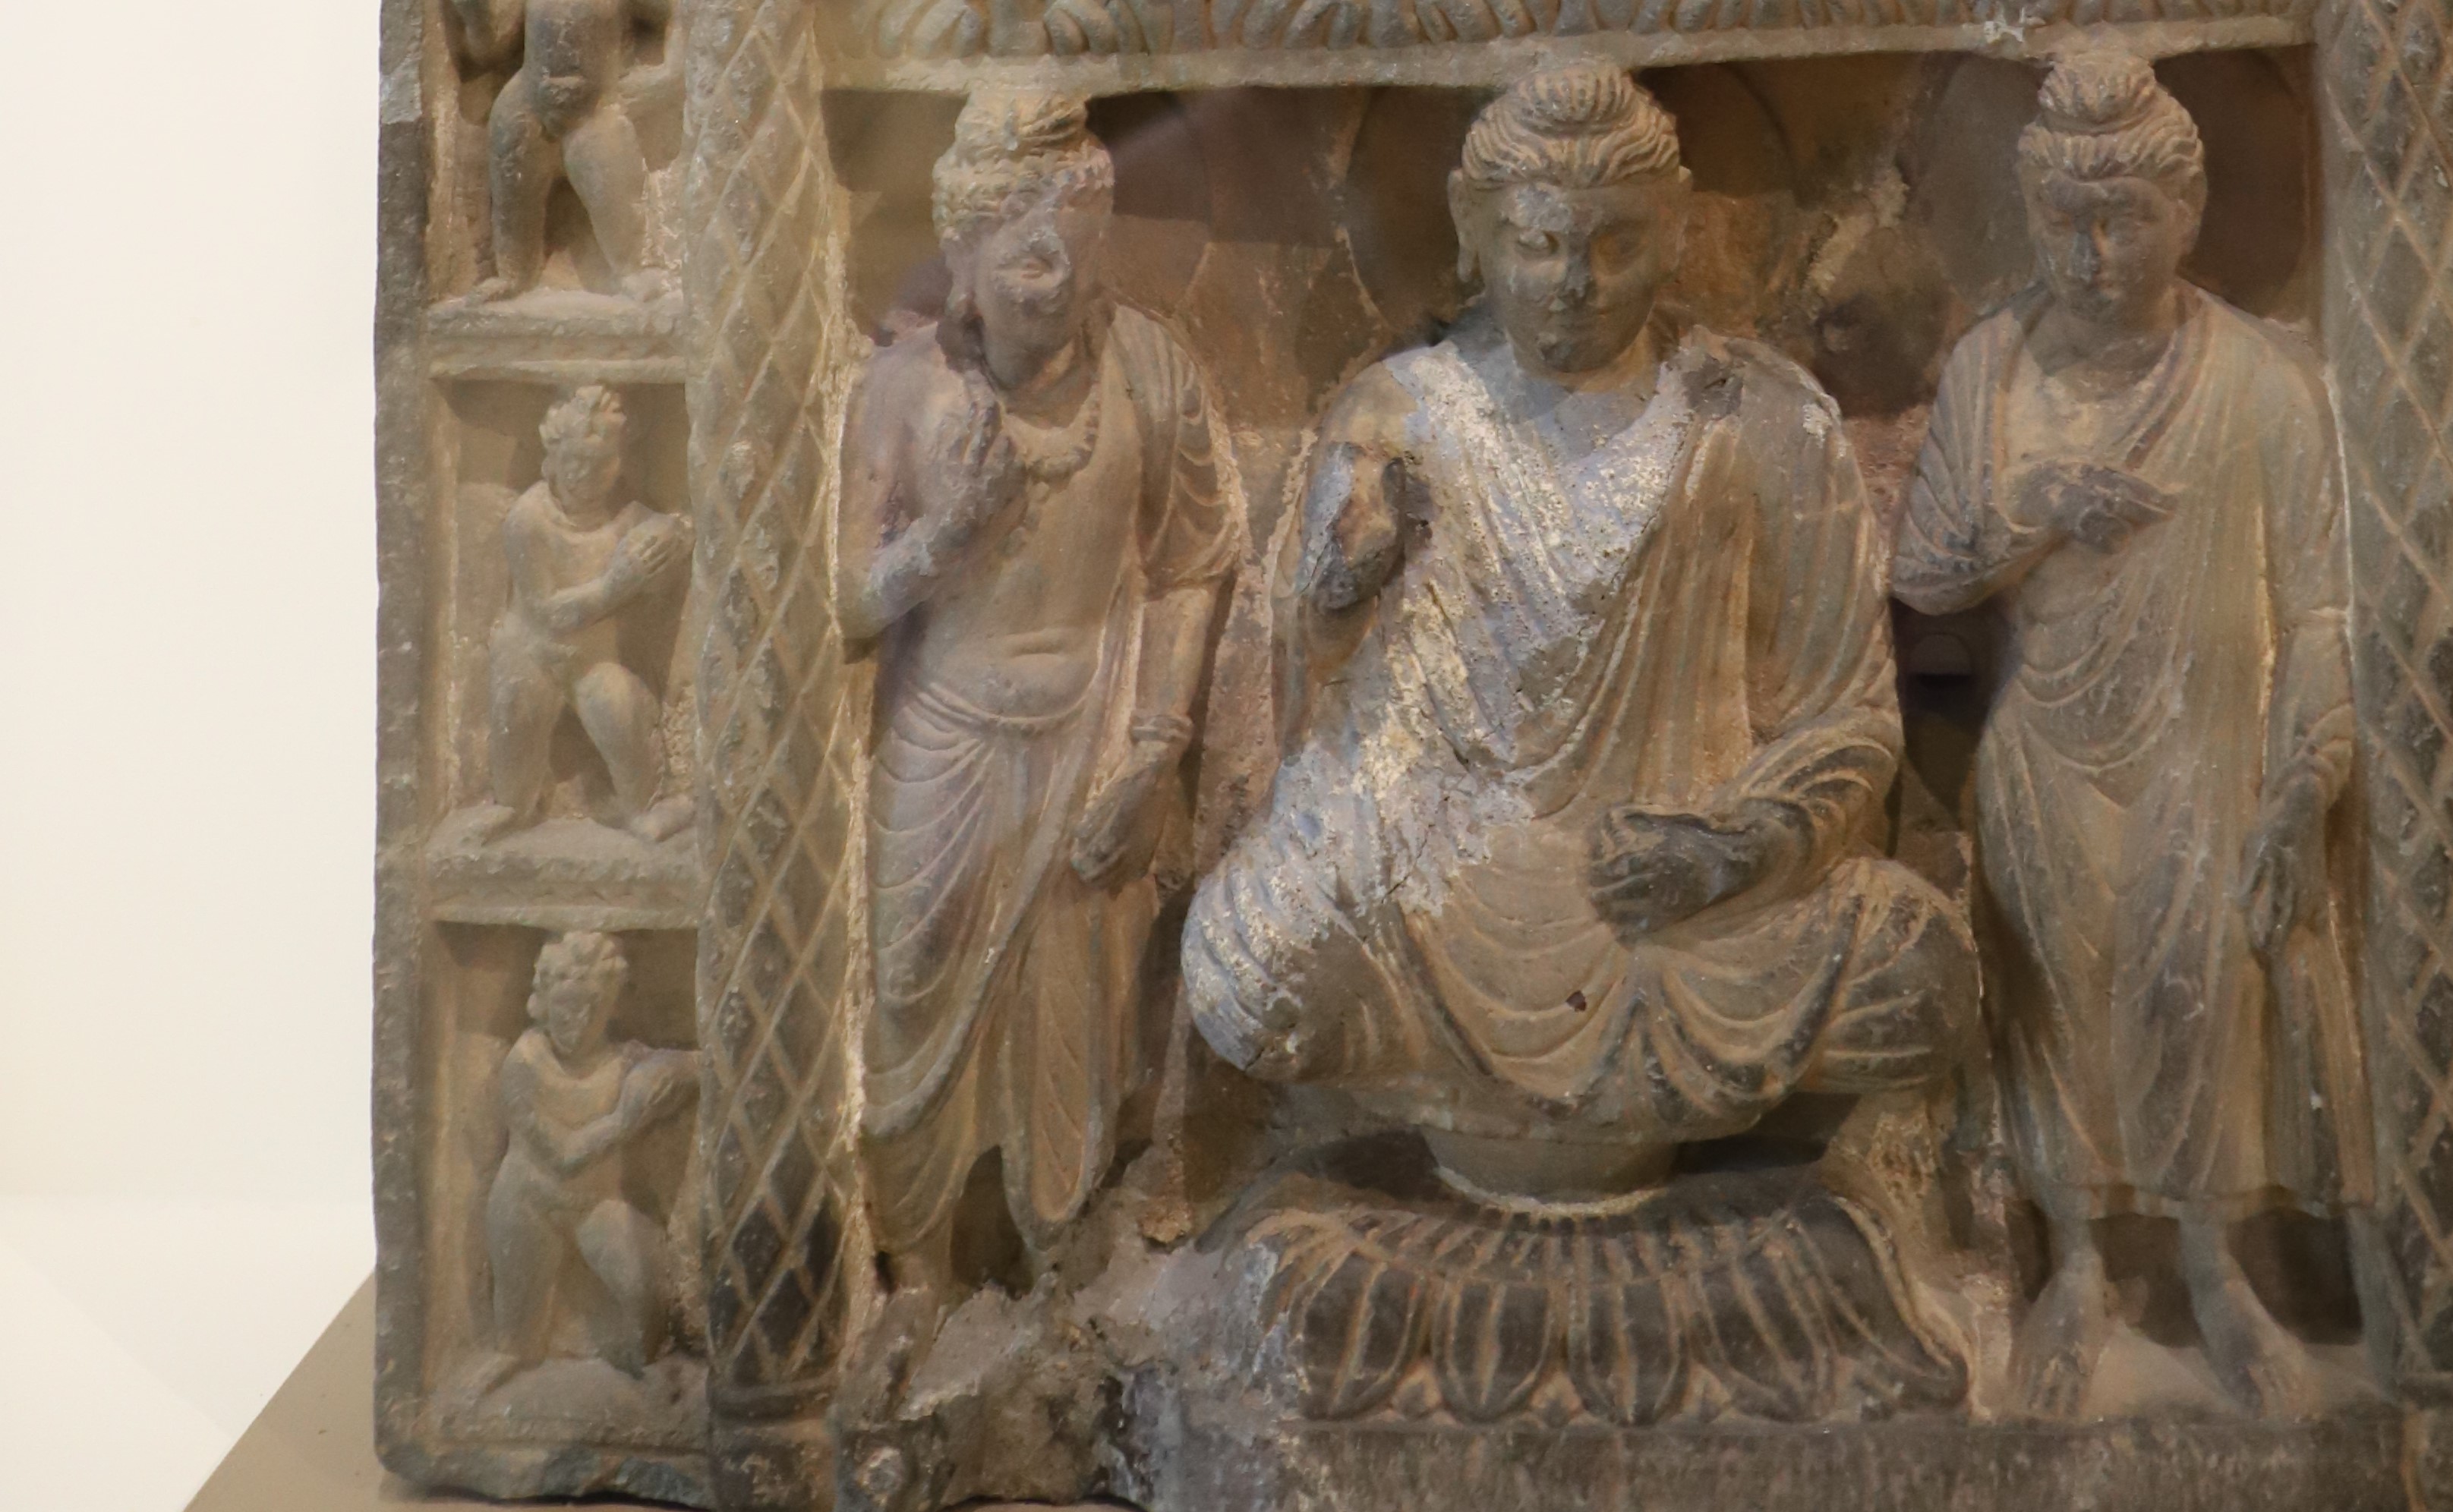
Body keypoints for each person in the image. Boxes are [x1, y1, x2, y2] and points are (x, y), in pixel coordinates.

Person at [1183, 61, 1975, 1205]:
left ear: (1677, 234)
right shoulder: (1402, 413)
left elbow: (1846, 721)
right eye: (1538, 244)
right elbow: (1330, 736)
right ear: (1475, 234)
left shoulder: (1758, 420)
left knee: (1921, 971)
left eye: (1615, 244)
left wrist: (1731, 848)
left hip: (1670, 905)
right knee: (1246, 968)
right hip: (1449, 883)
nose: (1574, 284)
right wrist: (1338, 602)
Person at [1893, 49, 2364, 1419]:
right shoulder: (1993, 368)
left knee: (2197, 996)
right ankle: (2081, 1267)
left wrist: (2309, 775)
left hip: (2206, 749)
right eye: (2063, 223)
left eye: (2124, 221)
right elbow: (1925, 573)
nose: (2091, 257)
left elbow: (2323, 608)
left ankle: (2217, 1273)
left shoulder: (2264, 383)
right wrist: (2035, 509)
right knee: (2054, 1002)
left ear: (2188, 211)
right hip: (2046, 740)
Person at [837, 90, 1238, 1331]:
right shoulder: (901, 393)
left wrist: (1156, 750)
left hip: (1092, 737)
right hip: (942, 742)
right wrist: (943, 541)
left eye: (1073, 251)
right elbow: (847, 600)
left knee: (1081, 1024)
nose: (1051, 286)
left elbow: (1194, 560)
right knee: (911, 1001)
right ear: (958, 254)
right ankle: (916, 1274)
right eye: (1020, 261)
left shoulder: (1149, 370)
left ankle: (1059, 1269)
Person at [477, 385, 690, 840]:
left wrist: (670, 536)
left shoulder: (627, 518)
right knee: (515, 719)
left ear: (621, 463)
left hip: (593, 659)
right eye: (573, 461)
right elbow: (548, 614)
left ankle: (644, 807)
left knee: (620, 713)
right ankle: (513, 805)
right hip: (529, 654)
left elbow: (672, 532)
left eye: (601, 464)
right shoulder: (528, 520)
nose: (584, 476)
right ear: (550, 459)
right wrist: (617, 584)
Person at [485, 931, 693, 1375]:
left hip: (596, 1205)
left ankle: (649, 1372)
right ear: (542, 1004)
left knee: (649, 1295)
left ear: (611, 1008)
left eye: (591, 1010)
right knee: (517, 1345)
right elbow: (563, 1157)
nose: (576, 1024)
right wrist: (625, 1121)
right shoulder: (524, 1064)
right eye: (565, 1009)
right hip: (527, 1204)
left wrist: (671, 1069)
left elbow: (694, 1065)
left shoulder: (621, 1060)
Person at [453, 0, 679, 302]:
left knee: (610, 189)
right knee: (513, 189)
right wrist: (476, 11)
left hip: (596, 106)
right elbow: (491, 46)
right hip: (528, 101)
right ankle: (513, 273)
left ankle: (632, 269)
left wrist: (671, 76)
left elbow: (681, 12)